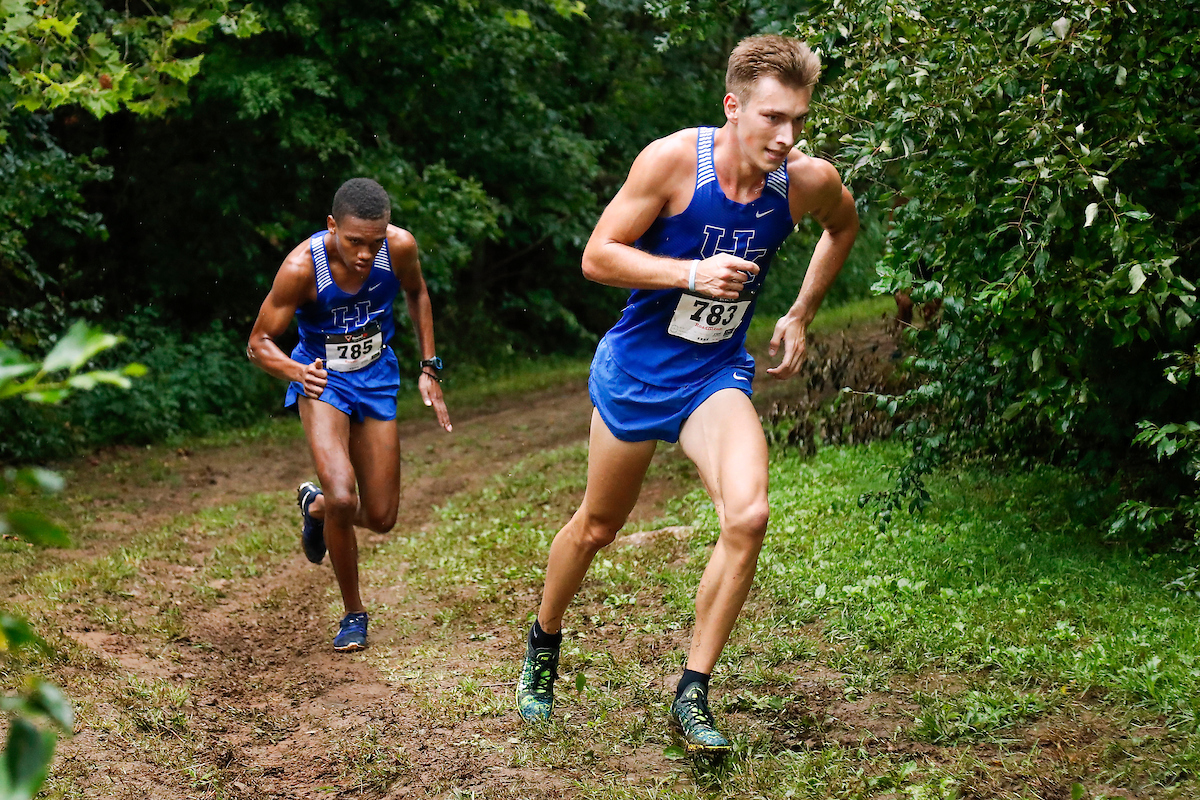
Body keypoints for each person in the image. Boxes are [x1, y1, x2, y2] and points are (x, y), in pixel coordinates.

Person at [515, 34, 859, 754]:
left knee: (749, 513)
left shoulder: (805, 180)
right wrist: (691, 274)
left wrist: (800, 312)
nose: (786, 135)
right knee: (598, 526)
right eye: (771, 117)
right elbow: (596, 256)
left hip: (715, 374)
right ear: (732, 108)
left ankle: (692, 691)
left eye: (797, 118)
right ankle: (544, 640)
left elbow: (842, 227)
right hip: (637, 371)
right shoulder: (674, 162)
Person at [247, 177, 452, 652]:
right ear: (332, 226)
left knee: (381, 517)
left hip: (377, 376)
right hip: (324, 380)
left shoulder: (398, 248)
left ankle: (314, 508)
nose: (365, 253)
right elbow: (258, 343)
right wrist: (296, 370)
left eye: (374, 242)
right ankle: (353, 613)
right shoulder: (301, 268)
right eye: (355, 241)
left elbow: (418, 294)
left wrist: (428, 366)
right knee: (344, 494)